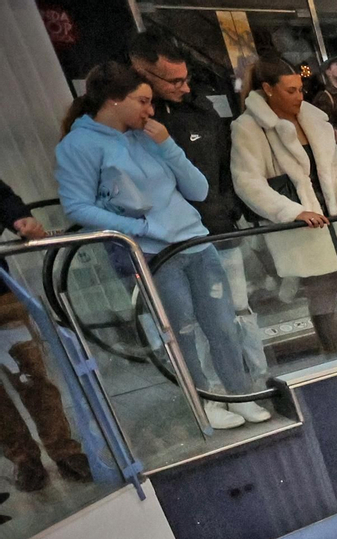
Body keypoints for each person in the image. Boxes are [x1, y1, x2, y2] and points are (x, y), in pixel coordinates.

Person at [56, 61, 267, 430]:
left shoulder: (147, 135)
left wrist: (167, 145)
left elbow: (199, 189)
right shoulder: (80, 145)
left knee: (222, 324)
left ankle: (238, 392)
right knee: (178, 328)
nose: (149, 110)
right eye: (142, 101)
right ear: (114, 100)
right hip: (152, 252)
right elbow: (77, 206)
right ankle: (204, 399)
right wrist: (137, 227)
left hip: (195, 240)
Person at [129, 32, 267, 385]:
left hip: (217, 226)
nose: (185, 87)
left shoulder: (200, 107)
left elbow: (223, 162)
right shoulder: (130, 122)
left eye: (186, 78)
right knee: (190, 322)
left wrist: (228, 207)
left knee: (236, 312)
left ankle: (253, 382)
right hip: (171, 241)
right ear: (142, 71)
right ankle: (211, 392)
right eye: (174, 80)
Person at [232, 56, 337, 353]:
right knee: (323, 303)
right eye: (290, 91)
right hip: (304, 232)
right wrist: (294, 212)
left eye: (300, 89)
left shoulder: (314, 119)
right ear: (268, 89)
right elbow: (248, 183)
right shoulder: (249, 128)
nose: (299, 96)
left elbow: (336, 172)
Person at [0, 181, 91, 492]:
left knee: (33, 375)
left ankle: (65, 451)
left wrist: (18, 219)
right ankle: (25, 460)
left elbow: (3, 196)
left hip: (2, 299)